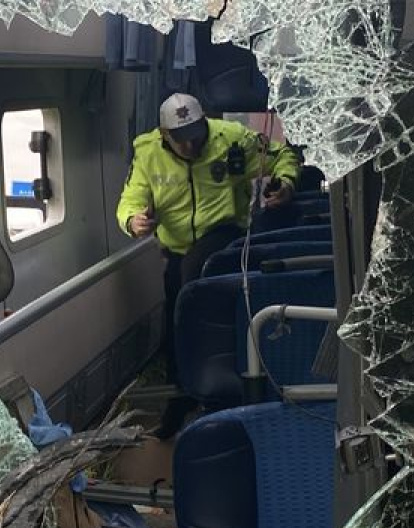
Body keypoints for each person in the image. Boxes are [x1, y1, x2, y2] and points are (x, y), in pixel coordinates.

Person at [116, 93, 300, 436]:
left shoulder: (231, 138)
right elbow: (130, 200)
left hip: (225, 243)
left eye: (196, 135)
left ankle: (228, 396)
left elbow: (283, 155)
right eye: (181, 139)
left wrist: (286, 183)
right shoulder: (147, 154)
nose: (190, 146)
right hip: (177, 252)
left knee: (210, 310)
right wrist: (133, 221)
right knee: (177, 326)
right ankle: (183, 396)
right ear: (164, 134)